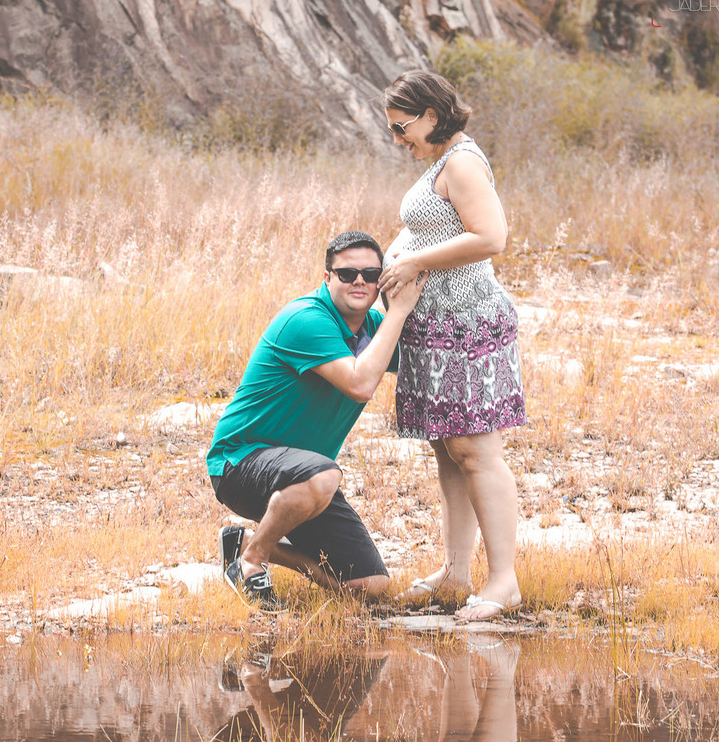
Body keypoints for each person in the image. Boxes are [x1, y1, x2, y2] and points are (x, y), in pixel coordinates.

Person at [206, 231, 426, 611]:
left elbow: (423, 358)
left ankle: (246, 544)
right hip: (239, 462)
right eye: (347, 274)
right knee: (324, 476)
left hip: (303, 477)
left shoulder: (374, 327)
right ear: (327, 277)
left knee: (369, 586)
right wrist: (399, 312)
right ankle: (251, 562)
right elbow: (360, 383)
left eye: (371, 274)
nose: (360, 281)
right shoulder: (306, 319)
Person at [378, 69, 527, 621]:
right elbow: (433, 228)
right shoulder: (440, 161)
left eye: (401, 127)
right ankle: (456, 570)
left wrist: (413, 261)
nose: (398, 139)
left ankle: (504, 581)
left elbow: (491, 237)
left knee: (478, 453)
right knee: (449, 450)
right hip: (434, 326)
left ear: (431, 115)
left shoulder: (462, 162)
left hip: (466, 325)